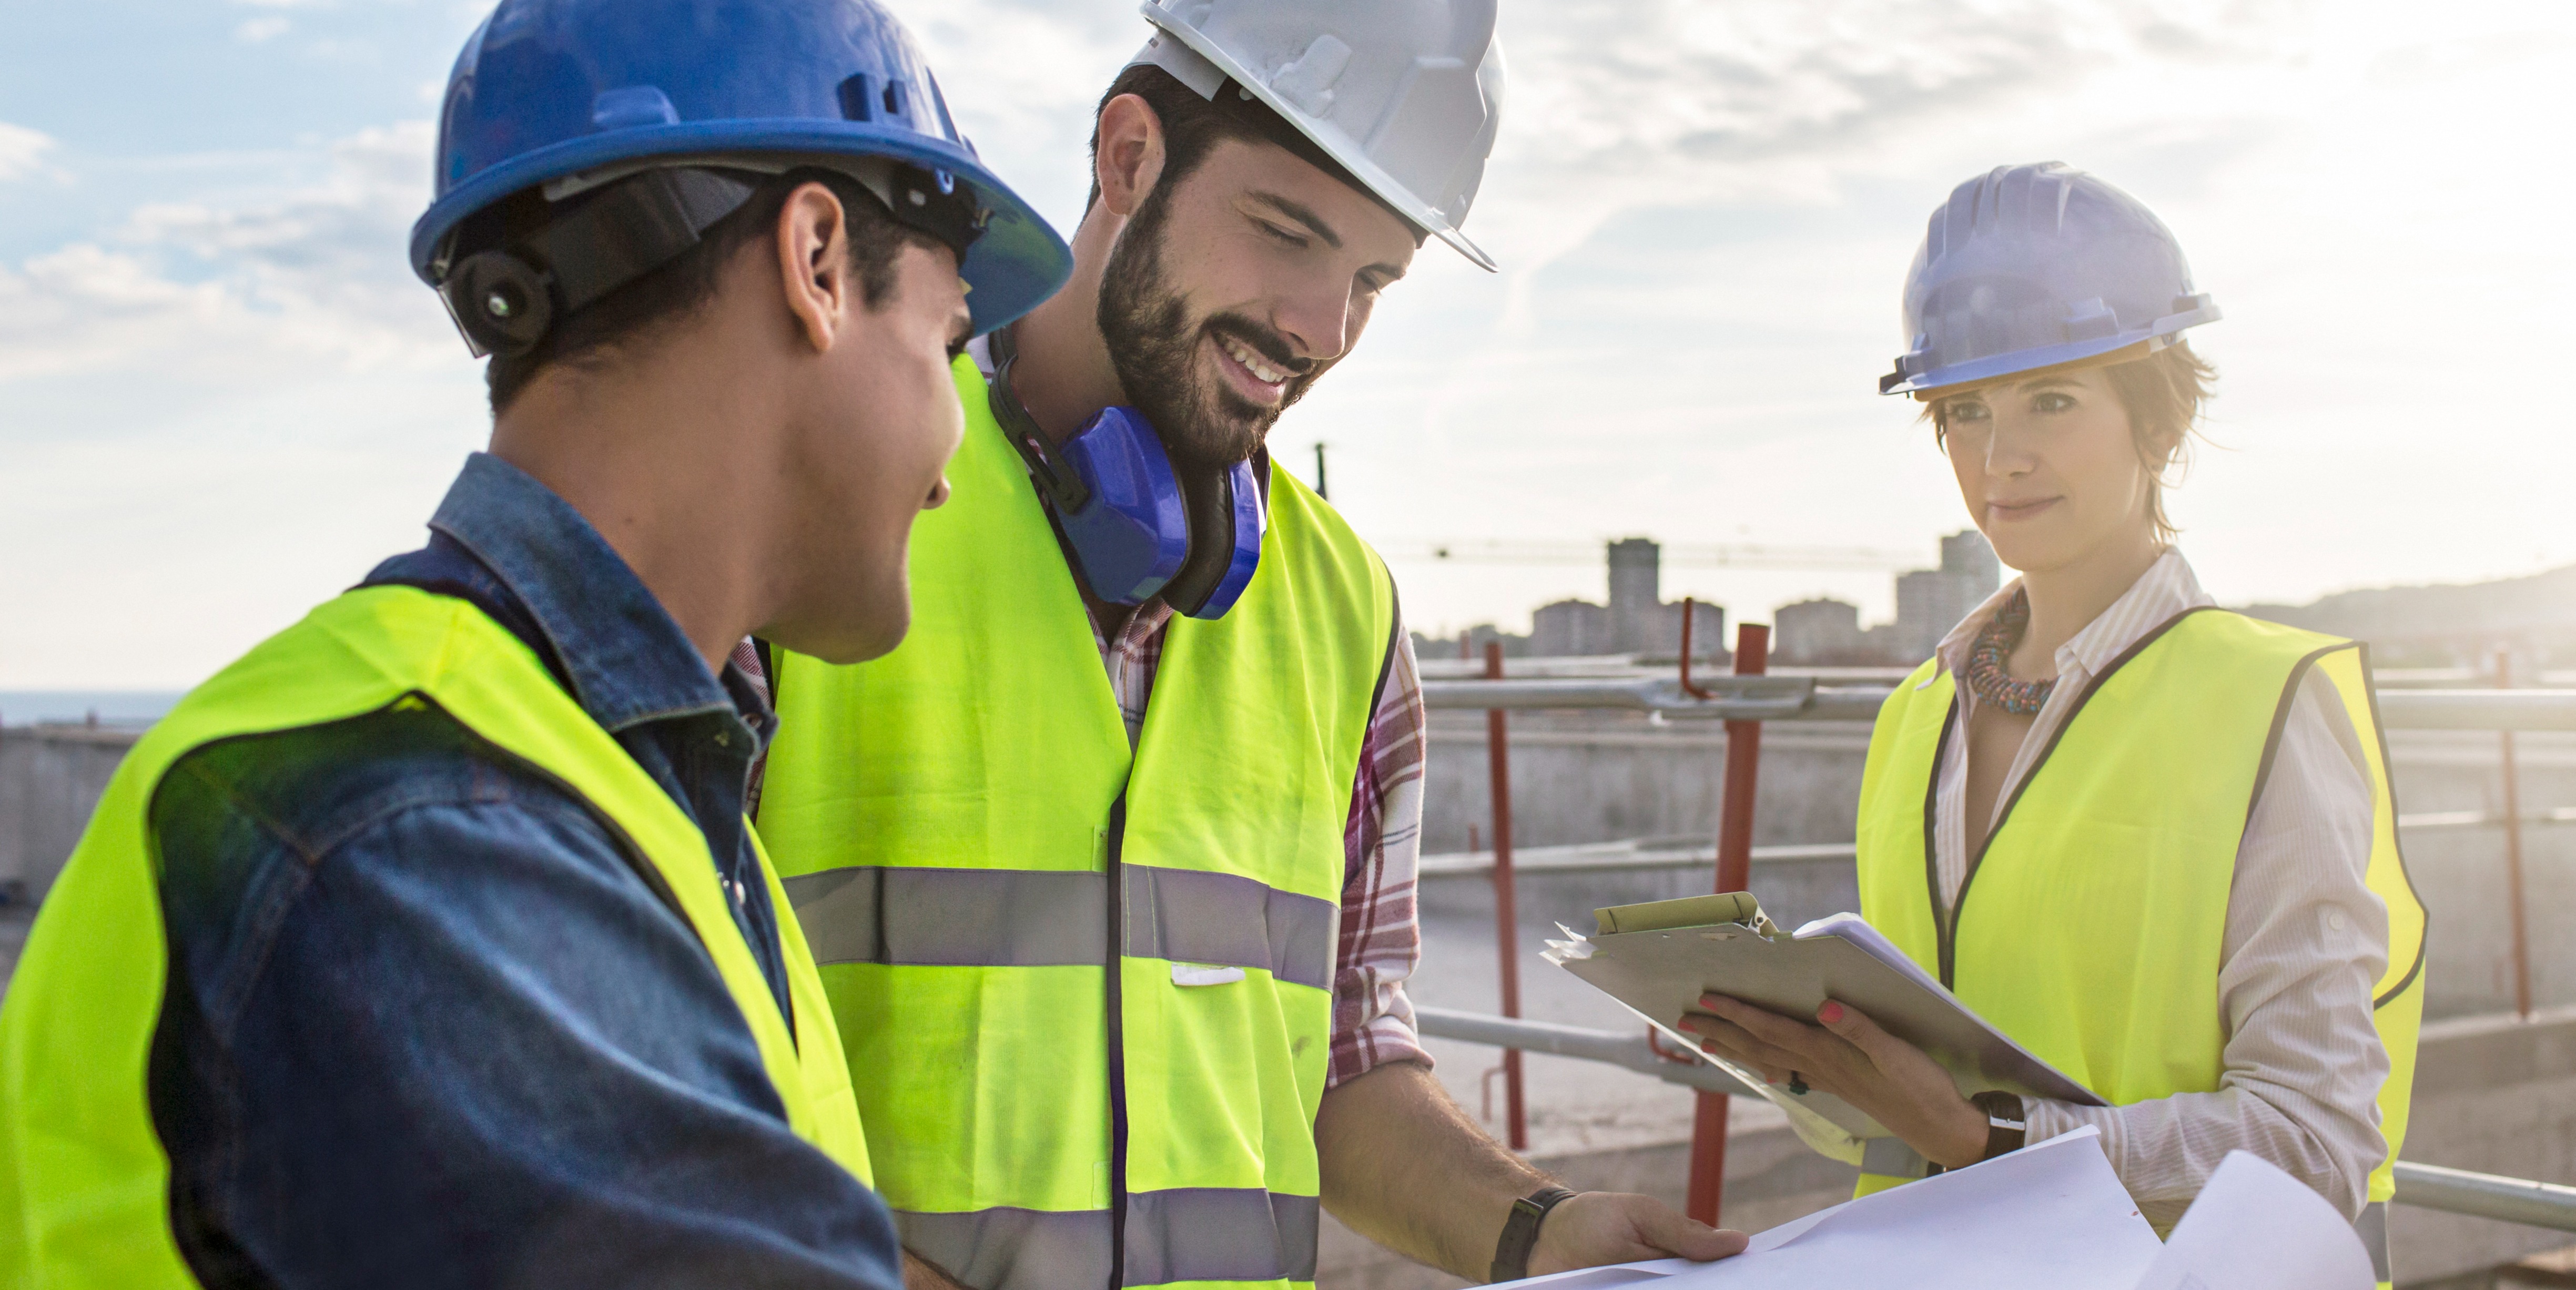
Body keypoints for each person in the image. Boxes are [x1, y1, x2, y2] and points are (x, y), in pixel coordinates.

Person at [0, 1, 1072, 1285]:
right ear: (819, 261)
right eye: (948, 345)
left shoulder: (627, 794)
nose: (958, 458)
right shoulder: (413, 827)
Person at [752, 3, 1746, 1286]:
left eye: (1374, 282)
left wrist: (1534, 1228)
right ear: (1125, 158)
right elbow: (662, 1082)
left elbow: (1342, 1069)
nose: (1321, 327)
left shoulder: (1348, 615)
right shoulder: (827, 519)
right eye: (1287, 232)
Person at [1674, 162, 2428, 1279]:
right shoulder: (1914, 717)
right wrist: (1800, 1062)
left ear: (2157, 423)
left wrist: (1993, 1142)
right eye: (1967, 412)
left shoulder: (2266, 702)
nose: (2000, 457)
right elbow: (1904, 1117)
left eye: (2053, 401)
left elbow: (2315, 1140)